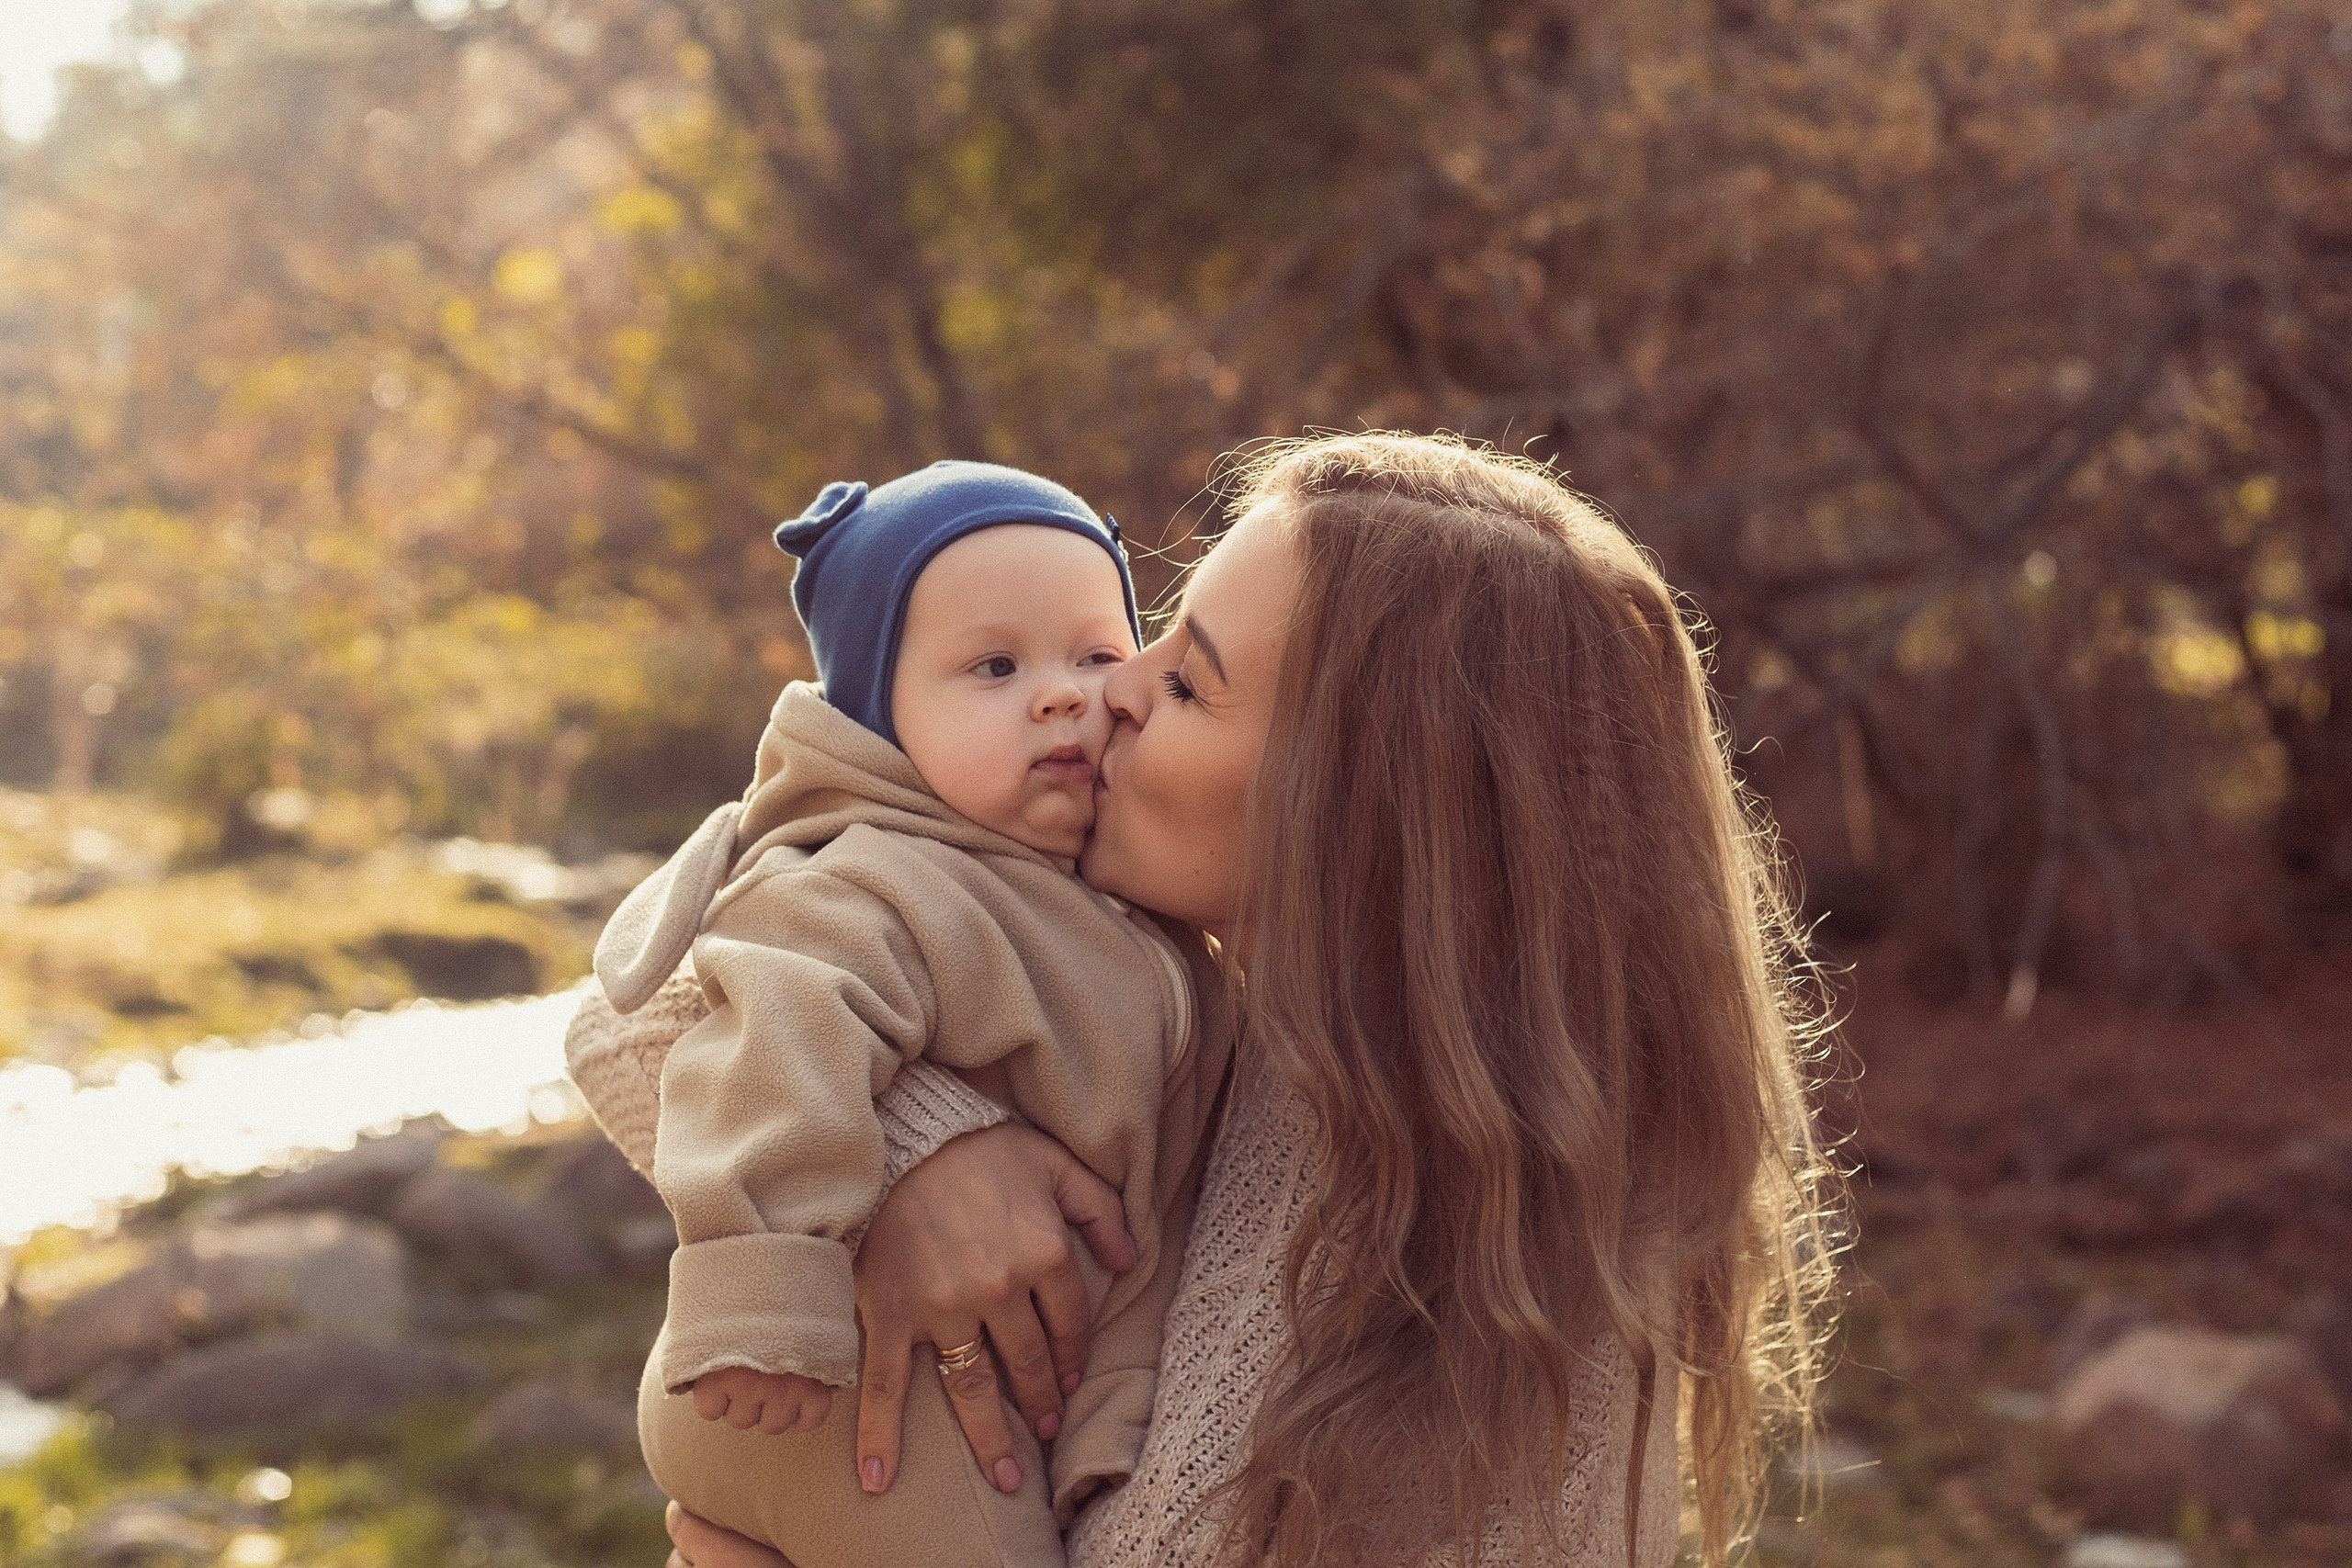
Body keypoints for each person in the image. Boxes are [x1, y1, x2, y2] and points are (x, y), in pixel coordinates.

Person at [582, 433, 1837, 1568]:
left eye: (1185, 681)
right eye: (1157, 635)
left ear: (1363, 804)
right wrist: (927, 1154)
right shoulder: (1212, 999)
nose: (1113, 689)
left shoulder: (1505, 1285)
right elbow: (631, 1013)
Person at [573, 460, 1237, 1568]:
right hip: (819, 1380)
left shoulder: (1115, 900)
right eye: (993, 665)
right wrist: (765, 1303)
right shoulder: (879, 881)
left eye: (1096, 654)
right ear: (880, 719)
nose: (1062, 692)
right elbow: (767, 1045)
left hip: (953, 1386)